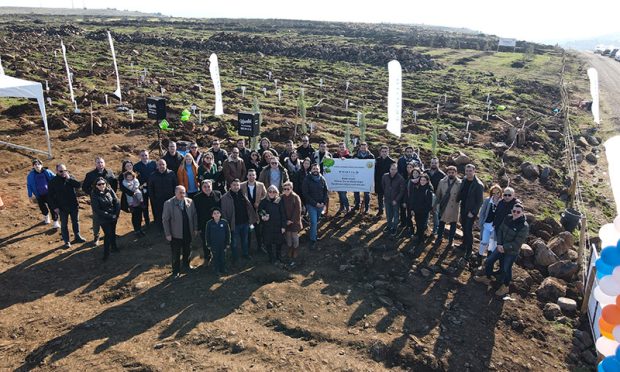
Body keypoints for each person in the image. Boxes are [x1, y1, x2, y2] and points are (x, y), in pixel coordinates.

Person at [474, 203, 529, 296]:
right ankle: (487, 277)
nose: (515, 213)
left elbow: (517, 243)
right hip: (500, 246)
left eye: (518, 212)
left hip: (511, 251)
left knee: (506, 268)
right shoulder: (508, 218)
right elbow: (500, 231)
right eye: (514, 211)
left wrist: (504, 247)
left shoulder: (524, 226)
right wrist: (499, 244)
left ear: (522, 213)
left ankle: (506, 286)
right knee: (489, 260)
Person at [162, 185, 198, 279]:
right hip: (175, 234)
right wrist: (168, 234)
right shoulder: (168, 203)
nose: (182, 195)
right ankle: (176, 271)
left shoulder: (190, 201)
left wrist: (195, 228)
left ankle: (187, 265)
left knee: (187, 250)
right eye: (180, 193)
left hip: (187, 232)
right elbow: (165, 220)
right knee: (176, 253)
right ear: (175, 193)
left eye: (184, 192)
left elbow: (194, 216)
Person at [48, 163, 85, 248]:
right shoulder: (53, 182)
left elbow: (78, 185)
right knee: (64, 225)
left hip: (73, 205)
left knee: (75, 222)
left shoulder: (70, 177)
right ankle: (66, 241)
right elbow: (50, 197)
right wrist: (55, 207)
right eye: (61, 171)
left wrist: (69, 179)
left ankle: (77, 236)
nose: (63, 172)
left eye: (65, 170)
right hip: (62, 207)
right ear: (56, 171)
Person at [221, 179, 258, 263]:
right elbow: (224, 212)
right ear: (230, 186)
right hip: (234, 224)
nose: (236, 187)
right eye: (234, 185)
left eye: (237, 185)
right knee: (234, 242)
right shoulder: (225, 197)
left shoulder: (243, 194)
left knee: (245, 240)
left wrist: (251, 220)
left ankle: (245, 254)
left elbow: (248, 207)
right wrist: (227, 225)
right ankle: (235, 257)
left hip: (245, 222)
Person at [82, 157, 118, 245]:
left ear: (104, 163)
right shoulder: (90, 175)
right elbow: (84, 187)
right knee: (97, 218)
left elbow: (114, 183)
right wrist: (93, 193)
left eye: (101, 162)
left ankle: (111, 233)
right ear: (95, 164)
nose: (100, 164)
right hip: (97, 201)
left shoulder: (109, 172)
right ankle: (96, 236)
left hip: (109, 200)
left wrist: (112, 194)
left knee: (111, 216)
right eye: (98, 163)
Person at [457, 164, 484, 259]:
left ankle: (469, 250)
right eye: (467, 171)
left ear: (474, 171)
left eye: (470, 171)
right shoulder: (464, 179)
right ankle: (464, 245)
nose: (468, 172)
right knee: (464, 226)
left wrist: (473, 212)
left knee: (468, 230)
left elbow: (480, 201)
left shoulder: (478, 185)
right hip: (463, 207)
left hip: (471, 211)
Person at [90, 177, 120, 260]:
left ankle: (114, 247)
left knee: (113, 232)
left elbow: (116, 201)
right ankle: (106, 253)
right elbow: (97, 209)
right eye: (99, 184)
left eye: (103, 183)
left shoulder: (109, 190)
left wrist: (116, 214)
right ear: (96, 186)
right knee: (108, 234)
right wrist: (110, 215)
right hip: (103, 218)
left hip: (113, 215)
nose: (101, 185)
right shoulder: (94, 194)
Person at [192, 180, 222, 265]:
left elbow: (221, 208)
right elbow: (196, 213)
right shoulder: (196, 198)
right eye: (205, 187)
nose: (207, 188)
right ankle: (207, 257)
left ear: (212, 186)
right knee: (206, 242)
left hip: (216, 222)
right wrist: (198, 227)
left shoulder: (218, 194)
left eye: (209, 186)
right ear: (201, 188)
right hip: (204, 224)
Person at [434, 166, 462, 248]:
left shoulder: (460, 183)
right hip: (444, 205)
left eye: (453, 173)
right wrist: (436, 205)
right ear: (447, 173)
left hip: (454, 206)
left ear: (456, 173)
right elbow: (438, 194)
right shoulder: (442, 181)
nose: (451, 174)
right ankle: (439, 238)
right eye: (449, 173)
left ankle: (451, 240)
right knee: (442, 222)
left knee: (453, 224)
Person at [240, 169, 267, 254]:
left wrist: (258, 203)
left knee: (259, 231)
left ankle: (260, 247)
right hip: (246, 212)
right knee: (248, 231)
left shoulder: (261, 185)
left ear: (256, 176)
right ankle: (247, 249)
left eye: (253, 175)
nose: (251, 177)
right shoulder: (241, 185)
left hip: (257, 212)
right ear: (247, 176)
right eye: (250, 175)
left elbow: (265, 196)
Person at [302, 163, 328, 249]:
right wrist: (314, 203)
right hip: (311, 204)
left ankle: (312, 233)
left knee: (315, 221)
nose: (315, 170)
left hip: (320, 204)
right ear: (311, 170)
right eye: (313, 169)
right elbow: (305, 193)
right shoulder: (307, 179)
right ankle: (313, 239)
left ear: (319, 170)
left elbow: (325, 191)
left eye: (317, 169)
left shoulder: (322, 179)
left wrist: (323, 202)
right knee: (313, 221)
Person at [27, 158, 59, 227]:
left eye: (39, 164)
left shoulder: (47, 171)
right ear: (33, 166)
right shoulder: (30, 175)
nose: (37, 165)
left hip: (49, 193)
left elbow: (55, 178)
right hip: (38, 194)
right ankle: (46, 216)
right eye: (35, 164)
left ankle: (55, 221)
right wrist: (30, 195)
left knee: (52, 207)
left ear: (41, 165)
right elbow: (29, 185)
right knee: (42, 207)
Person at [258, 185, 286, 263]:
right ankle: (271, 257)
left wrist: (283, 226)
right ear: (267, 192)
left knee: (279, 242)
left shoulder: (279, 201)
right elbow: (260, 210)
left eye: (274, 191)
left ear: (277, 192)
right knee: (268, 242)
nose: (272, 193)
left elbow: (283, 214)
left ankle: (278, 256)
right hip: (267, 226)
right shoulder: (264, 201)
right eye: (270, 191)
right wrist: (263, 216)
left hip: (278, 225)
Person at [477, 184, 502, 265]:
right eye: (493, 193)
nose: (496, 195)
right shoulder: (488, 201)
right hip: (487, 225)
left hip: (495, 227)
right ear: (491, 193)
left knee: (492, 244)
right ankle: (479, 256)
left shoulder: (502, 202)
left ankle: (488, 260)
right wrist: (481, 223)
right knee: (484, 241)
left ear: (500, 193)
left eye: (497, 193)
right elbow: (482, 213)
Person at [148, 159, 177, 230]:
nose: (161, 166)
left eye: (163, 164)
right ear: (157, 166)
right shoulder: (153, 175)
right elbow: (150, 188)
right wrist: (153, 199)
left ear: (166, 165)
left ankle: (172, 227)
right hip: (158, 200)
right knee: (160, 214)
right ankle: (161, 228)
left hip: (170, 199)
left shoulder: (171, 173)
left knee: (171, 213)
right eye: (159, 165)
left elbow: (175, 185)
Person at [407, 174, 434, 246]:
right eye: (421, 180)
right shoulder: (416, 188)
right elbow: (413, 199)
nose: (422, 181)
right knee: (418, 224)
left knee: (422, 225)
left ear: (427, 181)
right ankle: (419, 237)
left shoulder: (429, 190)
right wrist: (412, 209)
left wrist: (425, 211)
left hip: (424, 212)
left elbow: (429, 204)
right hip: (416, 210)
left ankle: (421, 239)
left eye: (424, 180)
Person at [133, 149, 157, 225]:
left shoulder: (153, 163)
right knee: (144, 206)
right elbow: (134, 178)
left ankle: (156, 220)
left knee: (154, 204)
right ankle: (147, 222)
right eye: (142, 155)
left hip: (153, 188)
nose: (144, 157)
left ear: (148, 155)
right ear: (140, 156)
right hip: (143, 189)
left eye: (146, 155)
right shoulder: (136, 166)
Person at [281, 181, 302, 266]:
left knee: (294, 236)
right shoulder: (281, 197)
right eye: (285, 189)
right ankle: (290, 248)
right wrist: (285, 220)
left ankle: (295, 249)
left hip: (294, 221)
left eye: (288, 189)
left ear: (291, 189)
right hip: (285, 221)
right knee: (288, 236)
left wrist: (291, 220)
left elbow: (298, 210)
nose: (286, 190)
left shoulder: (295, 197)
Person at [205, 207, 231, 275]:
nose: (216, 214)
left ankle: (223, 269)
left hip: (223, 244)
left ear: (220, 214)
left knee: (223, 257)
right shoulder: (209, 223)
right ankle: (216, 270)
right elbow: (207, 235)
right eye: (214, 213)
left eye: (218, 213)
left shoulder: (224, 222)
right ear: (212, 215)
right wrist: (208, 244)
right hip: (214, 244)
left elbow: (228, 233)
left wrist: (228, 242)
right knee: (215, 258)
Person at [382, 163, 405, 236]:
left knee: (396, 215)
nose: (393, 171)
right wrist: (385, 195)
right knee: (388, 214)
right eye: (392, 169)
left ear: (397, 170)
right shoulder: (385, 176)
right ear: (389, 169)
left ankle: (394, 228)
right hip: (387, 199)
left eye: (395, 169)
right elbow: (383, 186)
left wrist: (396, 200)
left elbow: (402, 191)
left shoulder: (400, 178)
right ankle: (389, 226)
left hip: (395, 200)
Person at [425, 157, 445, 235]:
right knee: (426, 212)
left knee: (435, 213)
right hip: (426, 196)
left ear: (438, 164)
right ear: (430, 163)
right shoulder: (426, 172)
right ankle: (425, 227)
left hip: (436, 196)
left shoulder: (442, 174)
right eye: (432, 163)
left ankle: (435, 229)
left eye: (435, 163)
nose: (433, 164)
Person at [121, 171, 144, 236]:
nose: (129, 178)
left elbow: (137, 184)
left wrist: (135, 188)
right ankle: (136, 230)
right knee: (135, 216)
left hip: (137, 196)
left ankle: (139, 229)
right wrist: (131, 189)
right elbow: (125, 186)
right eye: (128, 177)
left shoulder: (135, 180)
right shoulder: (124, 181)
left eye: (130, 177)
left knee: (139, 215)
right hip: (131, 197)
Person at [353, 142, 374, 213]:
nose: (363, 149)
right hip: (356, 177)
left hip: (367, 178)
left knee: (367, 193)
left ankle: (367, 207)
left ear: (367, 147)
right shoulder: (355, 155)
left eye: (364, 147)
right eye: (362, 147)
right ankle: (357, 205)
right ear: (359, 148)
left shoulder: (371, 156)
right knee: (356, 192)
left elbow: (373, 167)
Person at [374, 145, 395, 217]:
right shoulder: (377, 160)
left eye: (385, 151)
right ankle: (380, 210)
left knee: (388, 198)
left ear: (388, 152)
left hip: (389, 183)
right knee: (380, 197)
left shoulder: (392, 161)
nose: (384, 153)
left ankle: (389, 212)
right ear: (380, 152)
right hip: (379, 182)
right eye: (382, 151)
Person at [335, 142, 351, 214]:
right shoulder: (335, 155)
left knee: (343, 193)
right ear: (338, 148)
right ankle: (342, 207)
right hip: (337, 178)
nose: (341, 149)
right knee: (339, 193)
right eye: (340, 147)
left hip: (345, 178)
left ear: (345, 148)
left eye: (343, 147)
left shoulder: (348, 156)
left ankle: (347, 207)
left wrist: (346, 161)